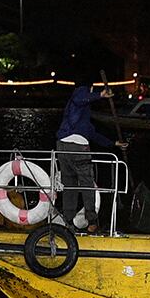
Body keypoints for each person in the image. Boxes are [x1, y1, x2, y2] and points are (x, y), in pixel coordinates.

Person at [53, 81, 120, 232]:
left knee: (70, 185)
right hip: (78, 148)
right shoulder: (80, 94)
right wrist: (100, 94)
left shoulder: (80, 119)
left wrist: (113, 143)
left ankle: (68, 221)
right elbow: (80, 97)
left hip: (63, 147)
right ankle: (92, 222)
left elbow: (94, 135)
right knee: (86, 184)